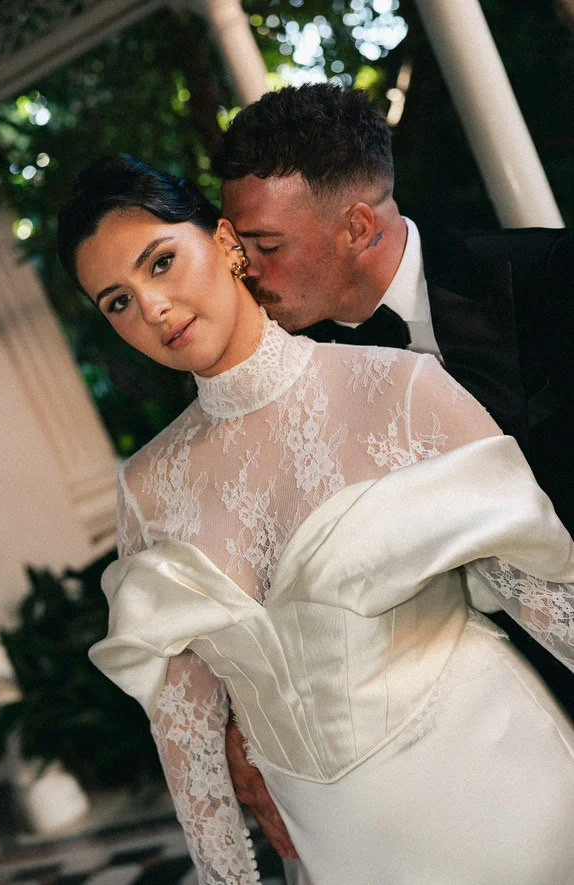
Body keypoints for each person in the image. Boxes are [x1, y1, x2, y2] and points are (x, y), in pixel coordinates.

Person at [58, 154, 574, 885]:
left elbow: (551, 604)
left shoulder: (397, 389)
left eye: (161, 262)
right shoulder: (147, 489)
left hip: (513, 805)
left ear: (229, 243)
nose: (153, 307)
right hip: (339, 855)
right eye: (117, 301)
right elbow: (188, 739)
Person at [215, 84, 574, 857]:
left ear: (355, 226)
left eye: (266, 248)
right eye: (240, 251)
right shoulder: (284, 388)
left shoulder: (550, 279)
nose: (247, 274)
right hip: (448, 768)